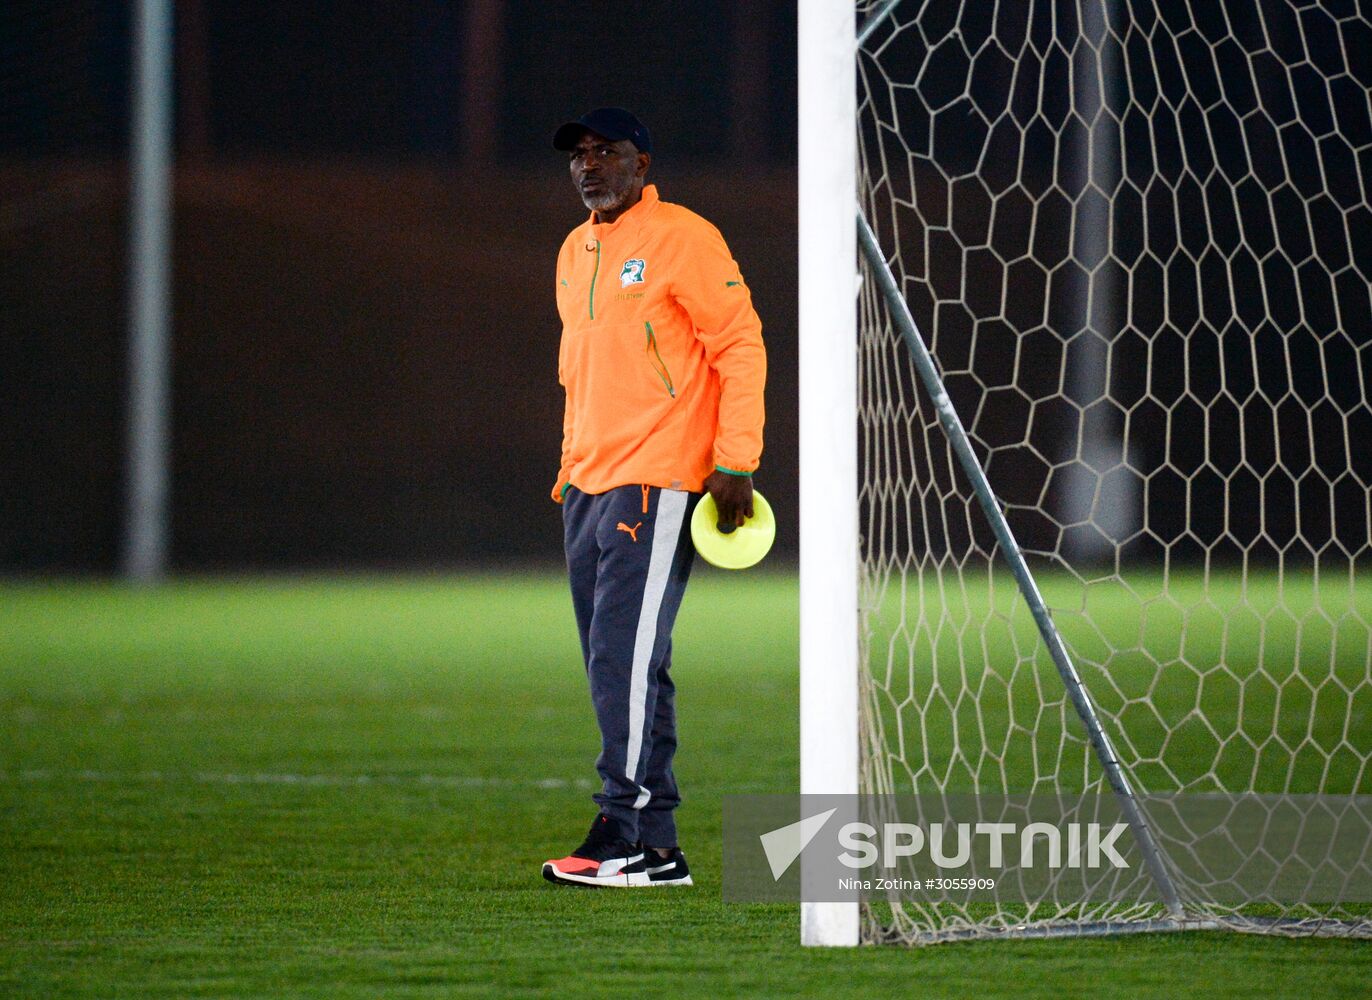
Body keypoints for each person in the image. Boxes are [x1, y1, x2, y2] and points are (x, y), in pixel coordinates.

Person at [541, 108, 766, 887]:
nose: (589, 166)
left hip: (659, 478)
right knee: (632, 664)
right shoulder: (575, 249)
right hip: (589, 485)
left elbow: (739, 343)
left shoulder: (684, 236)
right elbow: (583, 371)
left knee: (620, 661)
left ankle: (622, 829)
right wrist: (571, 467)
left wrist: (735, 460)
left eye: (607, 152)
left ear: (643, 163)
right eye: (579, 155)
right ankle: (658, 845)